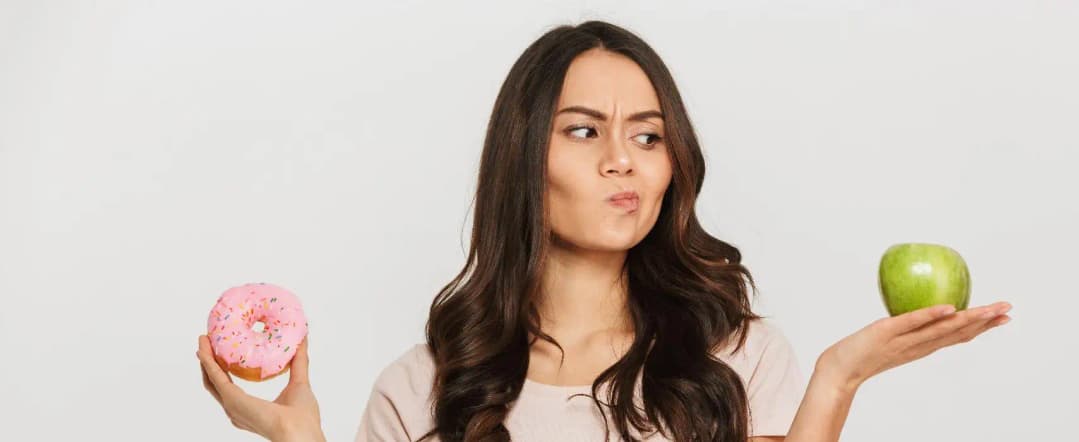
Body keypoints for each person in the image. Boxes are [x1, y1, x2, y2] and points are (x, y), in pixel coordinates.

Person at [196, 20, 1012, 442]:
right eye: (584, 131)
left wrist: (837, 380)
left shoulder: (737, 357)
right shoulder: (423, 388)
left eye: (648, 136)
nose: (623, 159)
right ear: (524, 159)